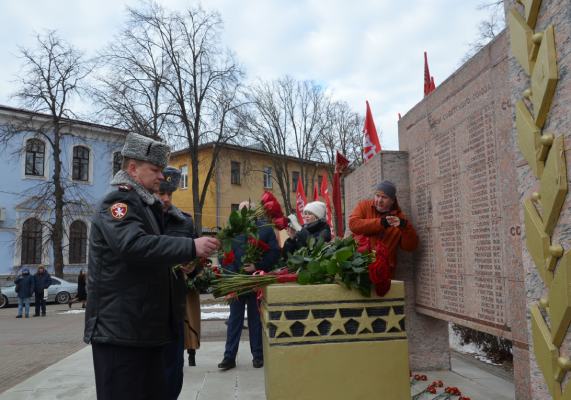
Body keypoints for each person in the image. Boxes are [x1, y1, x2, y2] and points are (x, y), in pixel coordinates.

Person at [84, 132, 220, 400]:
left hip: (144, 329)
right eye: (155, 170)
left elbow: (150, 257)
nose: (161, 177)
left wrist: (182, 264)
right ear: (133, 169)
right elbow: (133, 246)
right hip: (121, 333)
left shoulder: (145, 205)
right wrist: (190, 247)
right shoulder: (119, 202)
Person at [218, 201, 280, 371]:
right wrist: (232, 277)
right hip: (236, 283)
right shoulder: (231, 230)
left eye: (247, 210)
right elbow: (223, 255)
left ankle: (258, 356)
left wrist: (257, 267)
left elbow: (274, 253)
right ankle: (229, 357)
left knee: (255, 320)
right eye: (241, 210)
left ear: (255, 212)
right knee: (234, 321)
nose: (244, 213)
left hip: (255, 283)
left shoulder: (265, 229)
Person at [157, 166, 200, 400]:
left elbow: (196, 255)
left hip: (176, 305)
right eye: (161, 193)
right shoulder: (143, 220)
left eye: (169, 195)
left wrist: (194, 267)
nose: (165, 199)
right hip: (150, 307)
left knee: (174, 371)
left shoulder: (184, 221)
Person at [348, 180, 418, 276]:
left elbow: (410, 247)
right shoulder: (364, 206)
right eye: (377, 196)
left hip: (383, 272)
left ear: (392, 201)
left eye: (384, 197)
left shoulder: (399, 218)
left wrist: (405, 227)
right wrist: (381, 223)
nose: (379, 200)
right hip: (359, 265)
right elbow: (353, 224)